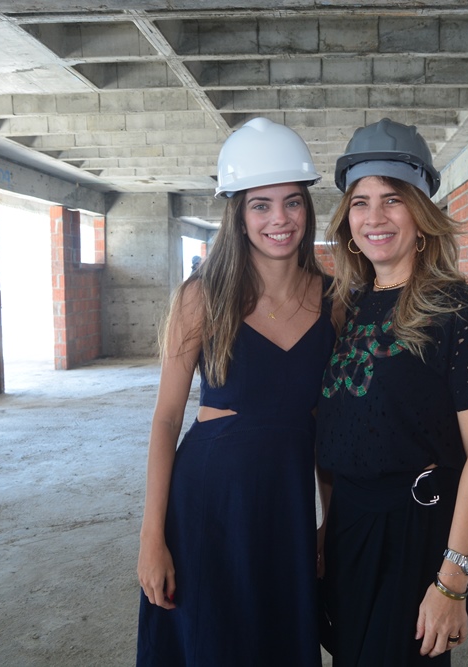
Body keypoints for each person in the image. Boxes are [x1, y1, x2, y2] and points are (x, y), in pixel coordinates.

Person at [135, 117, 334, 667]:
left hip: (287, 505)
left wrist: (331, 519)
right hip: (209, 503)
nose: (279, 219)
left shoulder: (334, 300)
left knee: (278, 641)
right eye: (260, 205)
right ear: (239, 216)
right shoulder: (202, 296)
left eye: (292, 203)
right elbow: (165, 419)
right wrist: (152, 536)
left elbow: (328, 424)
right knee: (213, 644)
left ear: (307, 208)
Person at [315, 118, 468, 666]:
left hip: (415, 529)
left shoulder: (461, 313)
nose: (374, 217)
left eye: (392, 200)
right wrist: (327, 528)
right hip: (351, 525)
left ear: (422, 215)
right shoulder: (348, 307)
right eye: (360, 202)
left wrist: (452, 580)